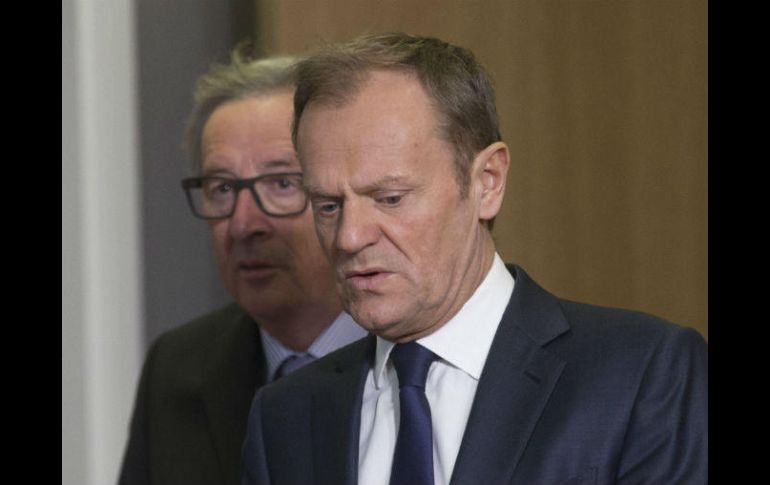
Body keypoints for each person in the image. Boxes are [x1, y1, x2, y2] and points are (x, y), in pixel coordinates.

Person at [241, 32, 708, 484]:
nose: (349, 237)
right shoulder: (284, 418)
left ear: (487, 182)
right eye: (328, 205)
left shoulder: (641, 373)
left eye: (390, 198)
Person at [119, 45, 367, 485]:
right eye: (222, 189)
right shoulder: (178, 367)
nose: (243, 224)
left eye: (282, 183)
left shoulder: (417, 357)